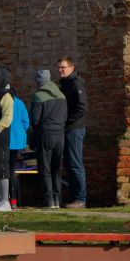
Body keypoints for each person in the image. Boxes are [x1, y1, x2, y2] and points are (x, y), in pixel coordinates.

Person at [30, 68, 68, 209]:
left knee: (45, 168)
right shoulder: (61, 96)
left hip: (46, 134)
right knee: (57, 168)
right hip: (60, 134)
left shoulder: (39, 96)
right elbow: (65, 117)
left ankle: (49, 200)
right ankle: (58, 200)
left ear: (39, 82)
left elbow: (34, 119)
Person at [57, 56, 89, 209]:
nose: (60, 70)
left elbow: (82, 107)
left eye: (63, 67)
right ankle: (74, 198)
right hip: (68, 128)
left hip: (74, 129)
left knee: (75, 164)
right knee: (69, 164)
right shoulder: (65, 84)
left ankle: (80, 199)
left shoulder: (76, 84)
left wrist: (68, 120)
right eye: (59, 68)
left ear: (72, 68)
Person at [0, 65, 14, 213]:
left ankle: (4, 200)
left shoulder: (5, 95)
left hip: (1, 136)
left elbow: (7, 117)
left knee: (2, 168)